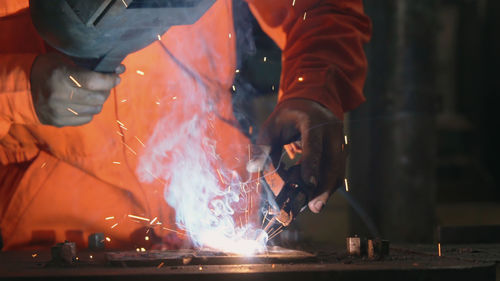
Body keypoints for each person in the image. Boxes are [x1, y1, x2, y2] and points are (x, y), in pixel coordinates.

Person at [0, 0, 371, 250]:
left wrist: (314, 89)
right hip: (60, 242)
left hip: (216, 232)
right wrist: (17, 87)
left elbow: (318, 6)